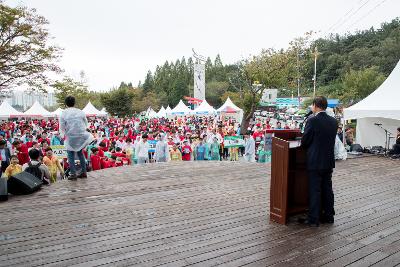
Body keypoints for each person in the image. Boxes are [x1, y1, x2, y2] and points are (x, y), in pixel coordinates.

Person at [301, 96, 338, 227]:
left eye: (312, 105)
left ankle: (313, 219)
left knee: (315, 190)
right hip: (328, 161)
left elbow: (305, 141)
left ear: (315, 106)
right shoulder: (334, 121)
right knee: (327, 189)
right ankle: (329, 216)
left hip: (315, 161)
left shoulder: (312, 121)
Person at [59, 96, 93, 180]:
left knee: (70, 155)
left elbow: (62, 127)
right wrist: (82, 131)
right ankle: (84, 172)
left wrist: (62, 135)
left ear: (66, 104)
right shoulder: (80, 112)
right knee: (80, 153)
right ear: (74, 103)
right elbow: (86, 123)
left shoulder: (64, 113)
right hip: (81, 135)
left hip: (71, 136)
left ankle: (73, 173)